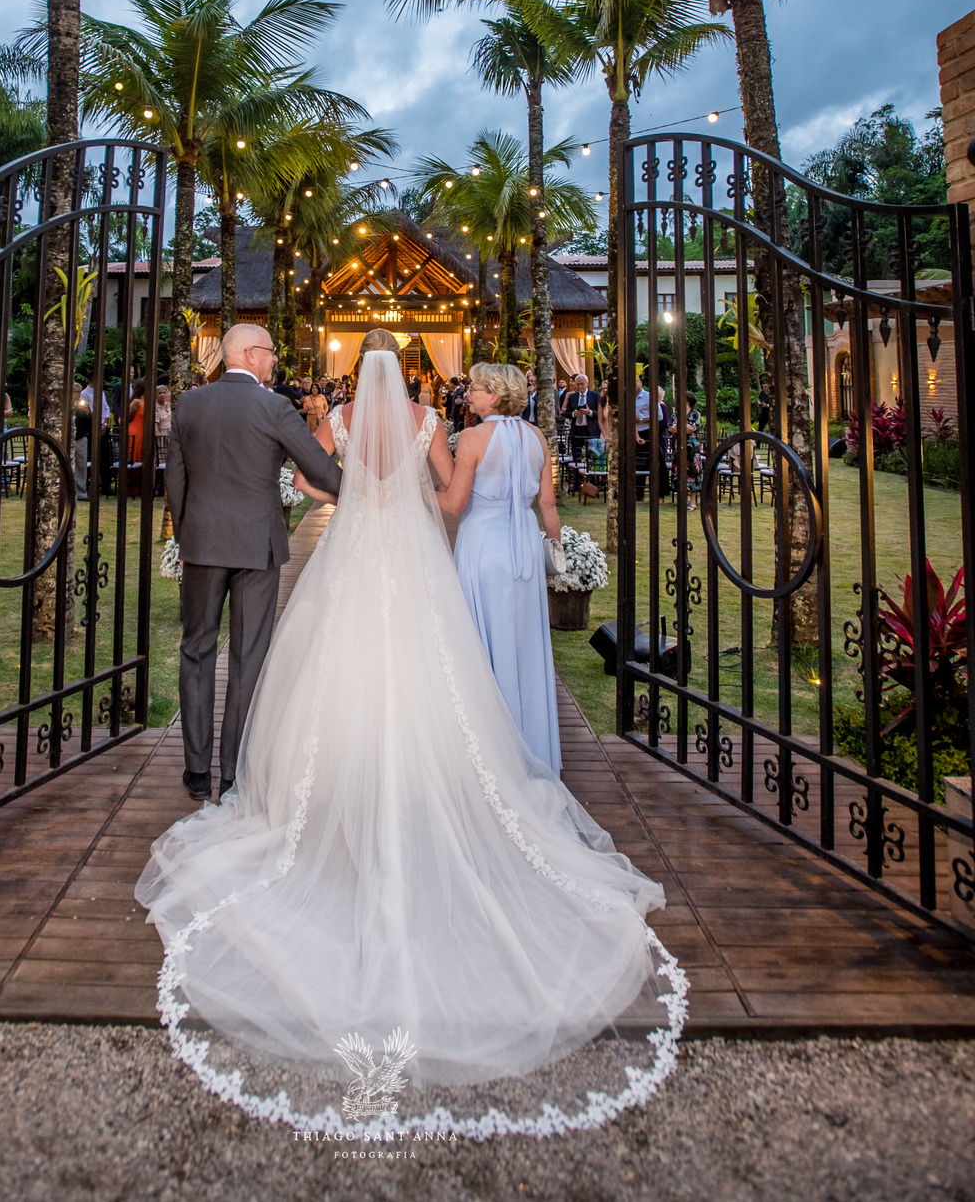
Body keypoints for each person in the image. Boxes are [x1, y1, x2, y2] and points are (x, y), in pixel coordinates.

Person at [136, 329, 681, 1130]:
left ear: (360, 370)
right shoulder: (428, 420)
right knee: (433, 670)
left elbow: (311, 478)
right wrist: (410, 505)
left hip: (352, 552)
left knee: (323, 662)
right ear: (409, 374)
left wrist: (352, 495)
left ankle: (291, 783)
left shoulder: (345, 416)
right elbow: (443, 491)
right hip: (410, 554)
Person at [161, 323, 342, 801]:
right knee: (247, 656)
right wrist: (369, 489)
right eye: (270, 352)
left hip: (201, 543)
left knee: (196, 649)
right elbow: (320, 468)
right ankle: (233, 769)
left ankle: (196, 771)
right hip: (257, 547)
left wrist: (187, 536)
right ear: (247, 353)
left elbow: (174, 480)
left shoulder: (189, 404)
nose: (274, 360)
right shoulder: (274, 407)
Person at [442, 362, 563, 772]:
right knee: (523, 640)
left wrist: (413, 492)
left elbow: (455, 504)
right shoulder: (536, 437)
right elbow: (547, 506)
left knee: (480, 640)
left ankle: (487, 750)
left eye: (474, 389)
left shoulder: (474, 437)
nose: (467, 395)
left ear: (493, 395)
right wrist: (556, 554)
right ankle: (527, 742)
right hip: (526, 547)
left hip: (484, 547)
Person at [72, 383, 91, 500]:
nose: (76, 394)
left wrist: (87, 413)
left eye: (78, 392)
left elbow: (89, 422)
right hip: (68, 438)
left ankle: (81, 493)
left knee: (81, 466)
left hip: (80, 438)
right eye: (74, 392)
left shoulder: (84, 406)